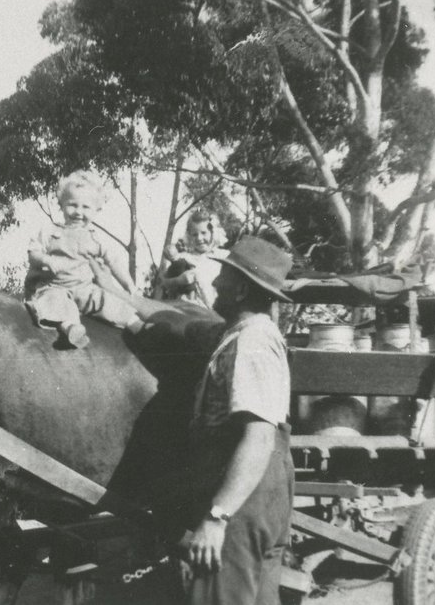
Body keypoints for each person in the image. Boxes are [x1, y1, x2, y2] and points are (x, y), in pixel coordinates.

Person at [139, 236, 294, 605]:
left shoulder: (252, 343)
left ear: (241, 290)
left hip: (241, 496)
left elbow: (259, 438)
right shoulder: (242, 334)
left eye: (224, 275)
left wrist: (217, 517)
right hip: (261, 495)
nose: (213, 282)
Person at [25, 171, 143, 348]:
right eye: (72, 205)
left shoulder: (96, 238)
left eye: (86, 207)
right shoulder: (50, 231)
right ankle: (71, 329)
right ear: (61, 205)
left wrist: (129, 285)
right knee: (55, 303)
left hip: (86, 289)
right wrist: (46, 260)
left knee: (108, 301)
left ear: (96, 210)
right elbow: (33, 253)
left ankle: (137, 325)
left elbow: (114, 262)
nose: (78, 212)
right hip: (55, 287)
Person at [157, 211, 229, 309]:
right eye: (194, 234)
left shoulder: (224, 256)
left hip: (220, 309)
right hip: (194, 309)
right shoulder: (185, 258)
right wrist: (178, 280)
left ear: (213, 232)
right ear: (189, 236)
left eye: (204, 233)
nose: (199, 238)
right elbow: (162, 283)